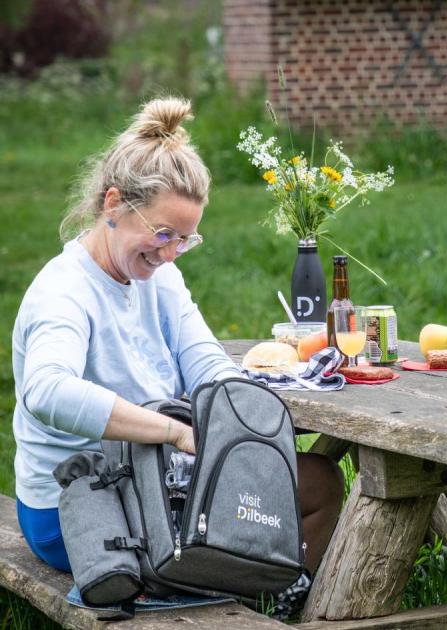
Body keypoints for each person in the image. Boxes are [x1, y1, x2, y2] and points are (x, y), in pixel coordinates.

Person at [12, 98, 343, 594]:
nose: (169, 254)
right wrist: (173, 432)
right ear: (113, 205)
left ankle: (272, 601)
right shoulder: (64, 292)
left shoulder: (157, 275)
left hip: (156, 473)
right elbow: (47, 391)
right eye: (162, 234)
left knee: (318, 482)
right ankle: (250, 599)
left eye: (184, 240)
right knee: (280, 503)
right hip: (81, 502)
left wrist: (241, 416)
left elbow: (204, 361)